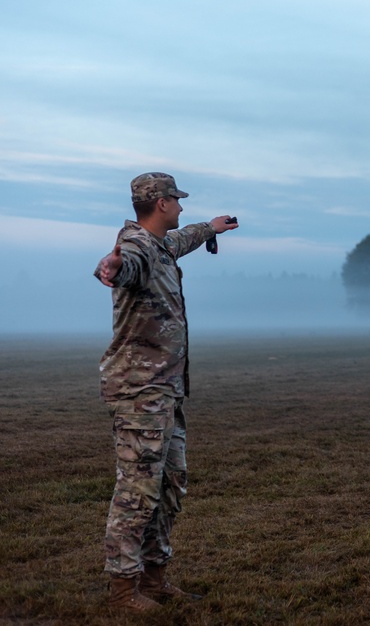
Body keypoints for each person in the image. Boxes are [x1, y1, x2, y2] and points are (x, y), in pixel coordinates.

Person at [94, 172, 238, 611]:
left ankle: (154, 580)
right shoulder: (136, 248)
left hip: (166, 391)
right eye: (176, 200)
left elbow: (182, 241)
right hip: (141, 392)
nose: (180, 207)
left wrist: (210, 229)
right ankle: (123, 589)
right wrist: (111, 266)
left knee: (170, 485)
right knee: (137, 492)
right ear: (160, 203)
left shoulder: (160, 245)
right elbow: (123, 264)